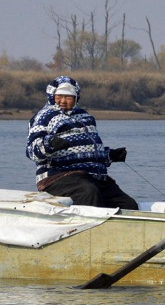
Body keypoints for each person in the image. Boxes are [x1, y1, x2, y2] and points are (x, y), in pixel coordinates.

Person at [26, 75, 138, 210]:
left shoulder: (86, 117)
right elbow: (31, 151)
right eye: (59, 96)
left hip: (93, 176)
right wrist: (50, 144)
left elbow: (91, 149)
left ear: (76, 98)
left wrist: (110, 155)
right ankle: (92, 229)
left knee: (128, 204)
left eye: (68, 97)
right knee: (89, 193)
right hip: (57, 177)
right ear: (51, 96)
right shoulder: (44, 117)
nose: (62, 101)